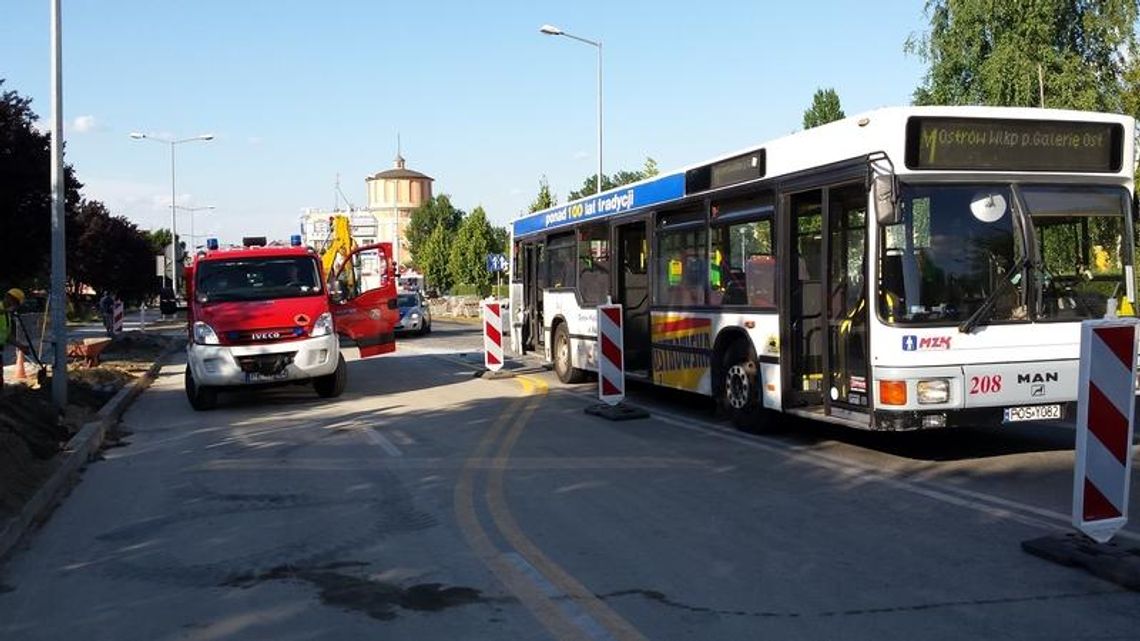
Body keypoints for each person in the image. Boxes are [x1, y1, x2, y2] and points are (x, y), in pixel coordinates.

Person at [0, 288, 26, 389]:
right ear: (8, 297)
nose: (15, 306)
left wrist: (20, 346)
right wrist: (6, 311)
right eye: (15, 302)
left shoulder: (7, 316)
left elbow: (6, 335)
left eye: (17, 304)